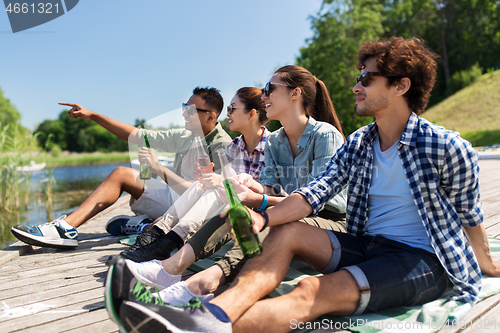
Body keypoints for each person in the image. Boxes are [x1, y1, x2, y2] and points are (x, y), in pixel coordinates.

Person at [110, 37, 500, 333]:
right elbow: (312, 195)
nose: (356, 86)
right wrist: (264, 218)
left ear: (401, 86)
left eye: (367, 78)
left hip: (417, 258)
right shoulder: (361, 143)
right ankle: (211, 310)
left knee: (309, 293)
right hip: (365, 243)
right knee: (284, 232)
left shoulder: (446, 146)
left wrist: (486, 266)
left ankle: (202, 323)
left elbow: (470, 216)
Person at [107, 64, 348, 316]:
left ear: (295, 94)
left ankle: (201, 280)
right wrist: (250, 184)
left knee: (273, 221)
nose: (264, 95)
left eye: (270, 89)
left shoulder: (325, 135)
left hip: (327, 220)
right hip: (289, 211)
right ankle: (170, 269)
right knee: (237, 207)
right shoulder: (277, 140)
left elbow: (328, 203)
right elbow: (271, 186)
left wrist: (262, 199)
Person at [11, 87, 232, 249]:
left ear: (211, 116)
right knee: (121, 174)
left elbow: (208, 200)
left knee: (158, 230)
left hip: (193, 211)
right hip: (172, 198)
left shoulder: (222, 145)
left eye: (191, 110)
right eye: (185, 107)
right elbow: (137, 136)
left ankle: (143, 224)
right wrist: (94, 116)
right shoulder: (184, 135)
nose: (184, 113)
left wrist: (160, 169)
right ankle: (65, 228)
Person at [117, 87, 270, 263]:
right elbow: (230, 182)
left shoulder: (273, 145)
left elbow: (272, 189)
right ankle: (158, 233)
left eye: (232, 109)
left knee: (215, 188)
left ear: (251, 114)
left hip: (255, 212)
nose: (227, 114)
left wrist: (220, 180)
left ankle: (165, 241)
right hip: (230, 206)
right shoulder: (234, 146)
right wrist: (209, 176)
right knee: (204, 184)